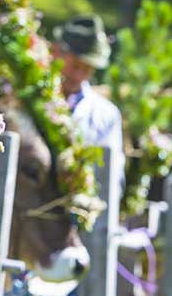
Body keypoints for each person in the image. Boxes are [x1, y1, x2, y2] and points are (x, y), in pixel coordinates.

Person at [52, 15, 125, 176]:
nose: (78, 75)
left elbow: (112, 177)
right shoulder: (29, 97)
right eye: (75, 65)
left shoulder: (107, 115)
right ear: (57, 52)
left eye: (87, 69)